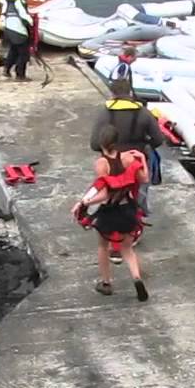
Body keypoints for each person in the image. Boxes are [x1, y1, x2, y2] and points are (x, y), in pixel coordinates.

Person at [72, 125, 150, 301]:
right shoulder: (129, 159)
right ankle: (137, 279)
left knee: (103, 246)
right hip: (128, 209)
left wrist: (84, 202)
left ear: (101, 144)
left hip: (109, 212)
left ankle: (106, 283)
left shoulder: (101, 164)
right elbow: (144, 178)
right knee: (128, 249)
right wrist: (143, 159)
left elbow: (104, 191)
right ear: (117, 142)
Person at [91, 78, 165, 220]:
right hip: (136, 159)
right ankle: (136, 224)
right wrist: (145, 146)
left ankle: (111, 221)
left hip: (111, 162)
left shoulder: (105, 114)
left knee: (111, 192)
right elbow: (158, 139)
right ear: (130, 92)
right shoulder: (143, 113)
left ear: (112, 94)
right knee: (139, 193)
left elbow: (94, 144)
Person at [2, 0, 35, 80]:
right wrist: (31, 23)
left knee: (14, 50)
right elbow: (23, 15)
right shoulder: (19, 0)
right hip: (18, 29)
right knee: (23, 53)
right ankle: (20, 75)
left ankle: (6, 69)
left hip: (8, 27)